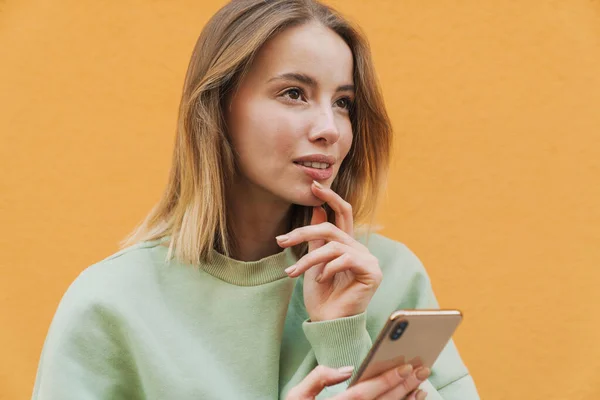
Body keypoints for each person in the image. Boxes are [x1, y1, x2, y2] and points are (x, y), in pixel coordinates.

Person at [32, 0, 480, 399]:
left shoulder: (389, 277)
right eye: (294, 94)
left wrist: (342, 333)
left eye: (344, 102)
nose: (330, 128)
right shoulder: (112, 303)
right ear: (218, 106)